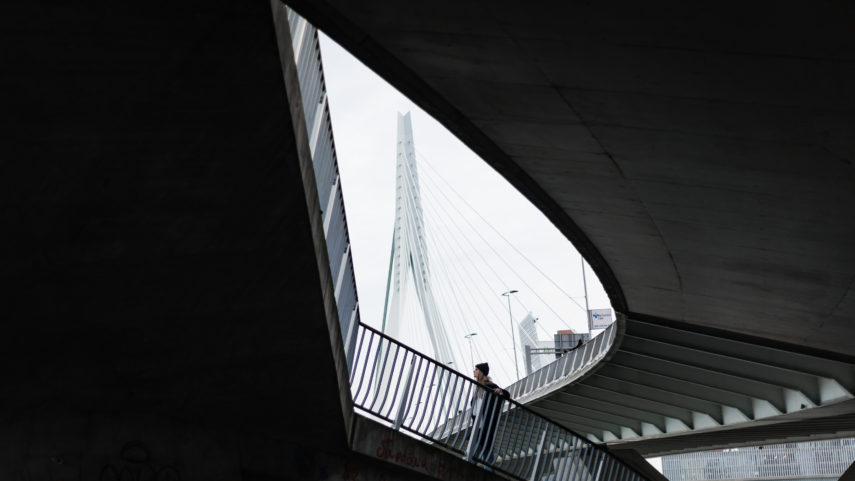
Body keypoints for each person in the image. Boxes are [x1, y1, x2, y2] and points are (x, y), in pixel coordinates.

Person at [470, 362, 510, 466]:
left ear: (481, 372)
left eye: (476, 369)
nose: (474, 371)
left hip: (486, 427)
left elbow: (506, 395)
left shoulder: (490, 386)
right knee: (486, 453)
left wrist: (499, 391)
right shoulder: (477, 388)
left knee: (475, 454)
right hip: (478, 427)